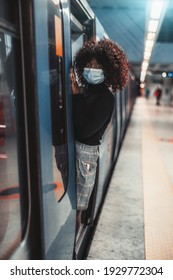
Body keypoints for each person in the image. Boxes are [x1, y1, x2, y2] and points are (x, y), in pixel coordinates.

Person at [71, 38, 129, 231]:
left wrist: (76, 96)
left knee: (77, 209)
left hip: (85, 155)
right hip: (76, 151)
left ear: (108, 70)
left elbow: (83, 130)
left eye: (97, 65)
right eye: (88, 65)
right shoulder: (86, 90)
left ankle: (71, 255)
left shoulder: (106, 98)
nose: (91, 69)